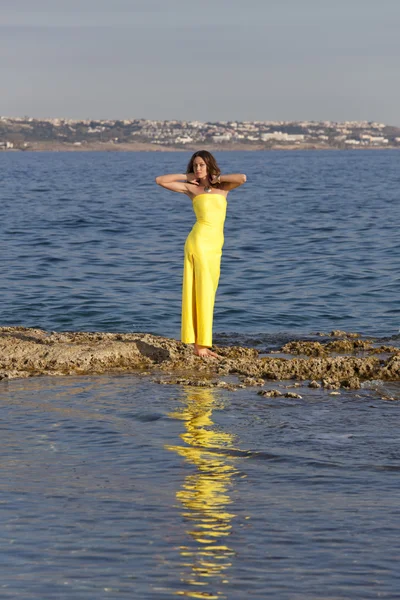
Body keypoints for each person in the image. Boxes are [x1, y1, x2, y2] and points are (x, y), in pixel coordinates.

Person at [156, 150, 246, 358]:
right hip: (199, 242)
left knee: (208, 290)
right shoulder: (192, 189)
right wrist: (186, 177)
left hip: (215, 246)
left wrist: (217, 178)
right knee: (202, 291)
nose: (198, 169)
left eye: (202, 165)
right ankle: (201, 346)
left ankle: (200, 342)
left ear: (209, 166)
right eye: (195, 165)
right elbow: (160, 180)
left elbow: (242, 178)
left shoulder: (223, 187)